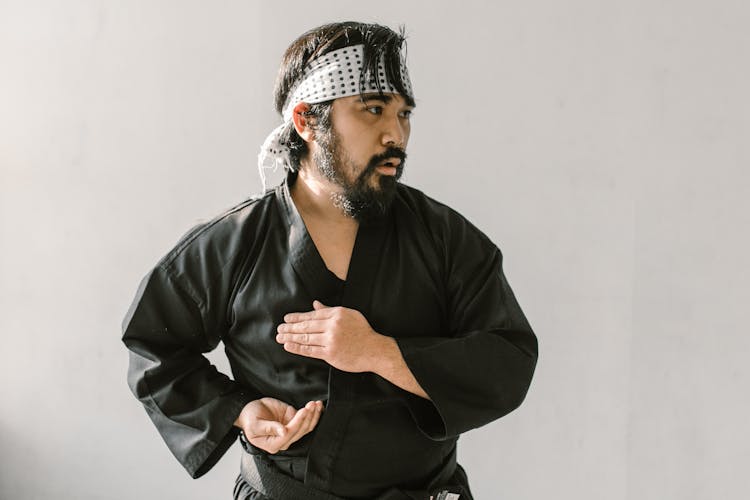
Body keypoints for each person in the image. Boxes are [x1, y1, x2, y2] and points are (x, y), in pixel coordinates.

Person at [122, 21, 538, 500]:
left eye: (404, 114)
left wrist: (379, 352)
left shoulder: (443, 237)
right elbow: (152, 348)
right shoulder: (234, 244)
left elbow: (508, 358)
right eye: (374, 110)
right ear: (306, 121)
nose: (395, 134)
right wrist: (239, 410)